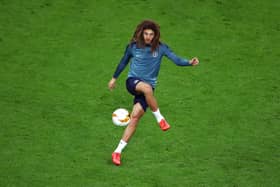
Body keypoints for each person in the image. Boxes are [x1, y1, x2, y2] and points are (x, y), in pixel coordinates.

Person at [108, 20, 199, 166]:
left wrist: (189, 62)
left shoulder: (161, 48)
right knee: (147, 88)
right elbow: (123, 62)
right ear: (141, 33)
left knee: (135, 117)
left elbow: (176, 60)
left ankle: (117, 151)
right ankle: (160, 119)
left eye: (151, 34)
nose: (148, 37)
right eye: (146, 34)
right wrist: (114, 78)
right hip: (133, 82)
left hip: (147, 89)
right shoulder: (133, 47)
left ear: (155, 35)